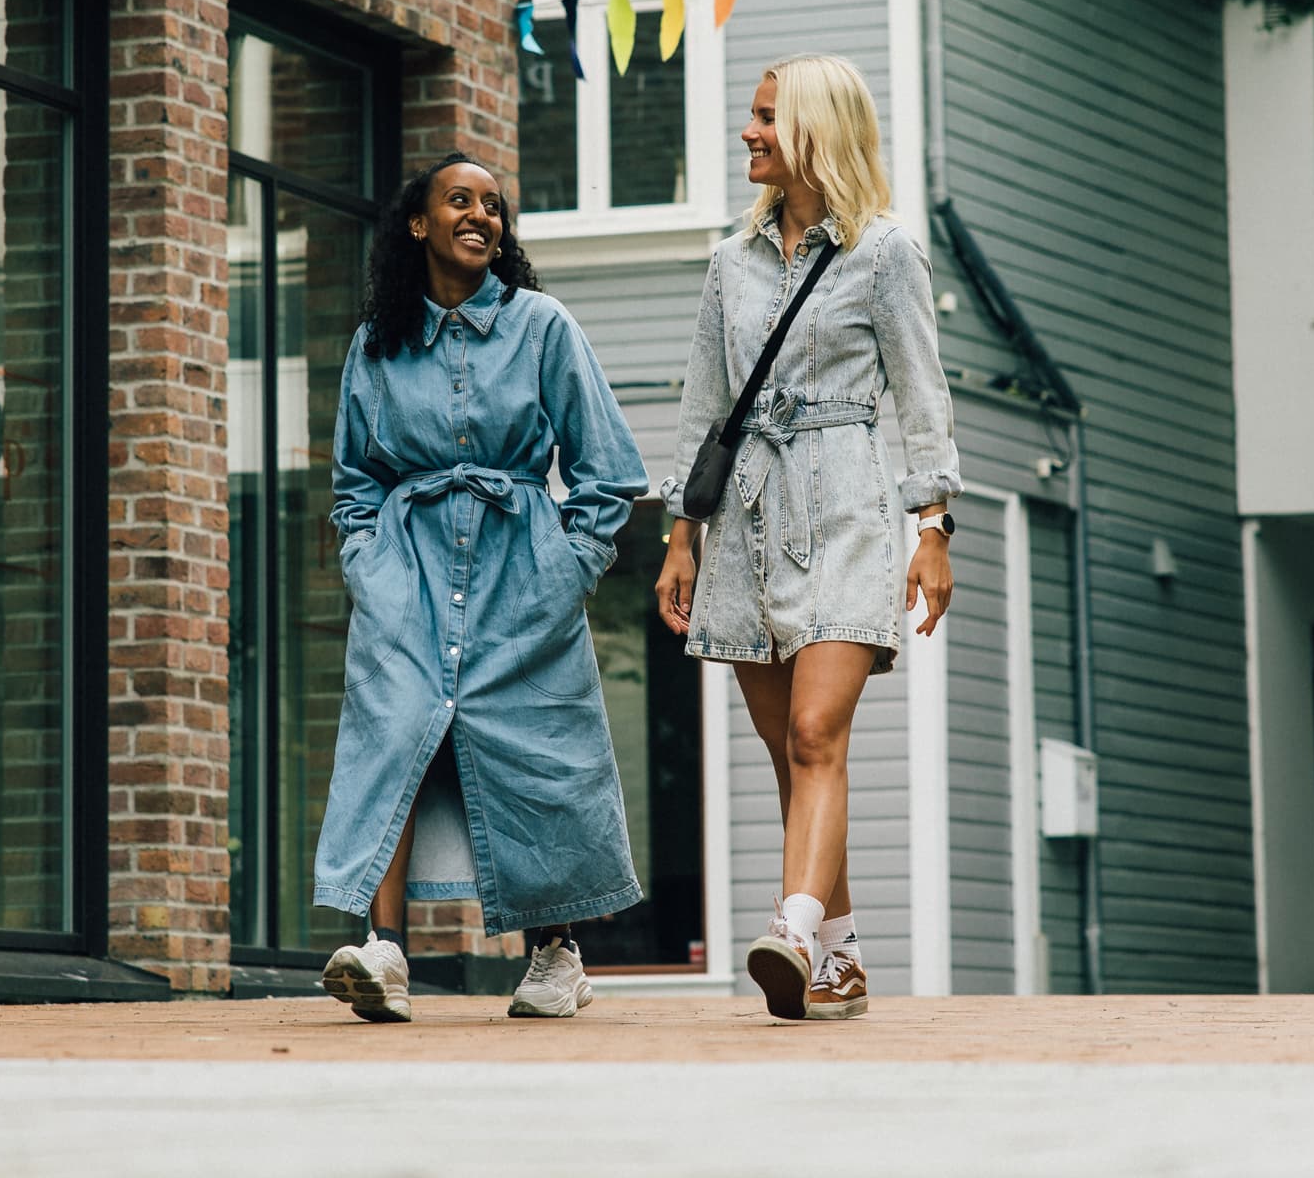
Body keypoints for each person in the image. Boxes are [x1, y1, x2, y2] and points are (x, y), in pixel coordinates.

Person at [313, 151, 649, 1023]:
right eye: (458, 201)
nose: (480, 216)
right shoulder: (377, 343)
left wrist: (566, 568)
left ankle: (556, 952)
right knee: (391, 736)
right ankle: (385, 951)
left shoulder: (543, 327)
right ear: (417, 224)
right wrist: (369, 566)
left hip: (521, 573)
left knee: (540, 746)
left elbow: (609, 473)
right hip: (407, 577)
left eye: (493, 207)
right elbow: (355, 483)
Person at [656, 55, 958, 1021]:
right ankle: (841, 954)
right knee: (790, 755)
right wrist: (680, 536)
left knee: (818, 731)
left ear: (815, 130)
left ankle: (790, 925)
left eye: (764, 118)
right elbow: (705, 404)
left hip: (847, 512)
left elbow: (922, 396)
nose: (747, 133)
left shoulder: (885, 254)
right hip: (746, 513)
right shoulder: (726, 263)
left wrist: (933, 525)